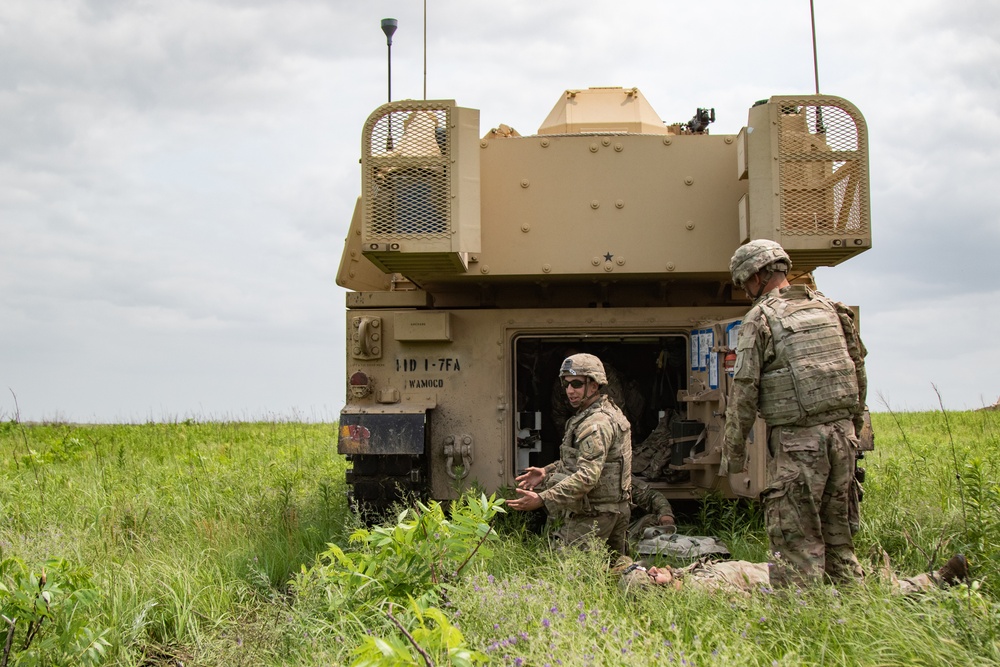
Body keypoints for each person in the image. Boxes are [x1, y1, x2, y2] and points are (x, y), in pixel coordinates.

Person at [723, 239, 868, 588]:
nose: (746, 292)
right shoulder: (833, 309)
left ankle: (799, 623)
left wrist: (734, 454)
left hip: (798, 444)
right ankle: (855, 613)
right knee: (839, 541)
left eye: (745, 283)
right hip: (843, 438)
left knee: (794, 543)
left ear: (758, 275)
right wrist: (855, 427)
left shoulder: (760, 319)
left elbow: (743, 392)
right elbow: (858, 372)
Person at [507, 353, 633, 555]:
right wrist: (546, 471)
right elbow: (582, 458)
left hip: (597, 515)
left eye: (576, 384)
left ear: (594, 385)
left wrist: (543, 499)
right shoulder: (601, 412)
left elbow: (587, 476)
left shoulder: (596, 424)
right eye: (566, 385)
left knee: (560, 568)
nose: (569, 391)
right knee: (614, 572)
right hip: (608, 511)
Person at [619, 553, 970, 595]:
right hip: (780, 585)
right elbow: (748, 600)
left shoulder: (685, 577)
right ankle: (930, 584)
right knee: (842, 593)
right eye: (649, 577)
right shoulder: (695, 593)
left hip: (771, 570)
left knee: (836, 572)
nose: (653, 570)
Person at [628, 476, 675, 546]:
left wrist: (665, 514)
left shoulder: (621, 478)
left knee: (652, 519)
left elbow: (650, 495)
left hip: (622, 530)